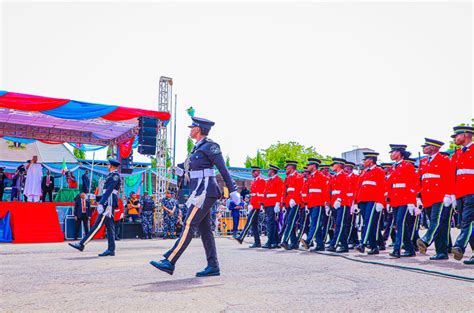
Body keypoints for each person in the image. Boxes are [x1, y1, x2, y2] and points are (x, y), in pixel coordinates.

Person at [150, 117, 240, 277]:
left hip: (206, 192)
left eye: (192, 127)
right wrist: (183, 173)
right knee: (205, 230)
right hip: (198, 192)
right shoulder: (197, 148)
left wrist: (232, 191)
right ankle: (213, 266)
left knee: (189, 223)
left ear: (198, 129)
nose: (190, 130)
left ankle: (170, 261)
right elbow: (197, 172)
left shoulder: (211, 146)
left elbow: (223, 169)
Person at [69, 159, 122, 257]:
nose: (107, 166)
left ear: (112, 166)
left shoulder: (115, 176)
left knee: (97, 225)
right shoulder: (111, 175)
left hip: (108, 203)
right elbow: (105, 192)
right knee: (110, 228)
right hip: (107, 201)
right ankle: (111, 249)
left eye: (108, 165)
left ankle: (82, 244)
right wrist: (94, 197)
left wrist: (102, 203)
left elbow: (109, 191)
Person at [416, 138, 455, 260]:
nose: (424, 147)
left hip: (439, 197)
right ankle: (441, 251)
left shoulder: (443, 160)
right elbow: (420, 180)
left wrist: (448, 195)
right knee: (438, 225)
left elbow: (449, 178)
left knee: (436, 222)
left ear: (434, 147)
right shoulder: (423, 161)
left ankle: (428, 241)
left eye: (426, 146)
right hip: (427, 198)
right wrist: (418, 197)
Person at [387, 145, 418, 258]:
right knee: (400, 224)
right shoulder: (393, 167)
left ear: (399, 153)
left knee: (400, 223)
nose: (391, 154)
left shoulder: (407, 166)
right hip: (395, 200)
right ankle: (410, 249)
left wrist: (411, 201)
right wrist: (389, 201)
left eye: (393, 152)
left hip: (405, 200)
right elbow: (390, 185)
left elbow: (412, 184)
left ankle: (397, 249)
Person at [449, 125, 474, 264]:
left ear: (465, 135)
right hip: (461, 194)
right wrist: (452, 195)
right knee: (470, 223)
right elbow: (453, 176)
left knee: (467, 221)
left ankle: (459, 246)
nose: (455, 138)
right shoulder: (457, 153)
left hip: (472, 192)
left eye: (457, 136)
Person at [353, 152, 386, 255]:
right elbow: (358, 187)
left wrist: (380, 202)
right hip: (363, 200)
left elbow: (382, 187)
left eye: (365, 160)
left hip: (373, 200)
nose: (364, 162)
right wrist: (355, 201)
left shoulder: (378, 171)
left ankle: (363, 244)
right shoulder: (364, 172)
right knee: (369, 223)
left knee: (368, 222)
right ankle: (373, 246)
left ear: (371, 160)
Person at [300, 158, 330, 252]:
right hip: (312, 204)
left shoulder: (321, 177)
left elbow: (325, 191)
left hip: (319, 203)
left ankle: (308, 241)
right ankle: (320, 244)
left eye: (309, 165)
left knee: (315, 223)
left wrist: (326, 204)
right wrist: (307, 204)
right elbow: (308, 192)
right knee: (316, 224)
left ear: (314, 166)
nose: (308, 167)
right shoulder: (310, 177)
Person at [235, 166, 266, 248]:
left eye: (254, 171)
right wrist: (250, 204)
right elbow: (252, 194)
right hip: (253, 203)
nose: (252, 173)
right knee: (253, 224)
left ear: (258, 172)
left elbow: (261, 193)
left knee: (249, 221)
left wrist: (260, 203)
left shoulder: (261, 181)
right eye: (252, 171)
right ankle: (257, 242)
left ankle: (241, 237)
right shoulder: (253, 181)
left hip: (257, 204)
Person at [327, 158, 351, 253]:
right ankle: (344, 245)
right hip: (334, 203)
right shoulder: (334, 177)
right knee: (339, 225)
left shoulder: (345, 176)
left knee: (339, 224)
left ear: (339, 165)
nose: (332, 166)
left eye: (334, 164)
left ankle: (334, 244)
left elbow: (345, 189)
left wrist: (339, 199)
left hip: (342, 203)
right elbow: (330, 191)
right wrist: (328, 204)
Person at [280, 160, 304, 250]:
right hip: (289, 202)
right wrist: (284, 203)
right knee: (289, 222)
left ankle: (285, 240)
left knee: (290, 221)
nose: (286, 168)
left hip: (295, 202)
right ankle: (294, 243)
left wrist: (294, 199)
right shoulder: (287, 178)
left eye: (287, 166)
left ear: (291, 167)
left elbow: (299, 189)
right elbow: (285, 191)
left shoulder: (299, 176)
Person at [262, 164, 284, 249]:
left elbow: (279, 192)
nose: (268, 171)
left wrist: (278, 203)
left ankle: (270, 241)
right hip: (268, 204)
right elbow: (266, 193)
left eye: (269, 170)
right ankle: (276, 241)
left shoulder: (278, 180)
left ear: (272, 171)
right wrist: (263, 204)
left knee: (271, 223)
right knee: (272, 223)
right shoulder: (270, 180)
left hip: (273, 204)